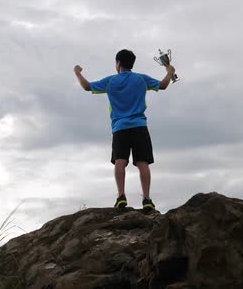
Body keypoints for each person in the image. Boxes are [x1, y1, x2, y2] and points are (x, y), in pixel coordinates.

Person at [74, 49, 175, 211]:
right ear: (131, 63)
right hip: (139, 126)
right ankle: (147, 199)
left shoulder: (111, 81)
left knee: (120, 160)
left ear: (118, 63)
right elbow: (163, 85)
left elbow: (87, 87)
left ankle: (121, 196)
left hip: (120, 127)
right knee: (143, 162)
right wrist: (170, 72)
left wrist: (77, 72)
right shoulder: (141, 79)